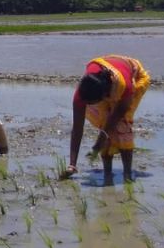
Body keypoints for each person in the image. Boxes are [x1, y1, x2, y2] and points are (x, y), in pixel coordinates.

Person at [63, 55, 151, 185]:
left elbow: (116, 116)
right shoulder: (83, 93)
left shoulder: (125, 86)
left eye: (92, 102)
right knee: (104, 121)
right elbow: (77, 128)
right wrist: (72, 165)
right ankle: (107, 174)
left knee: (121, 125)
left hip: (133, 77)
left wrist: (101, 139)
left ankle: (127, 175)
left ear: (104, 96)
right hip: (106, 78)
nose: (89, 104)